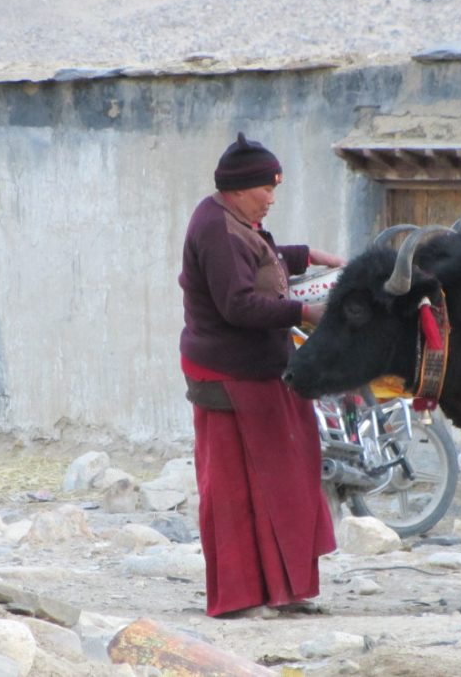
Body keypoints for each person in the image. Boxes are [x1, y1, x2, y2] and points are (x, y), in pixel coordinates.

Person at [178, 132, 344, 618]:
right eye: (265, 190)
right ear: (238, 188)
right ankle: (238, 598)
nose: (272, 199)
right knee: (235, 492)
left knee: (283, 481)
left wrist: (310, 256)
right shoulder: (216, 229)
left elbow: (263, 257)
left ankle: (284, 592)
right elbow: (237, 303)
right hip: (229, 378)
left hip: (262, 372)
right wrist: (306, 313)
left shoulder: (235, 222)